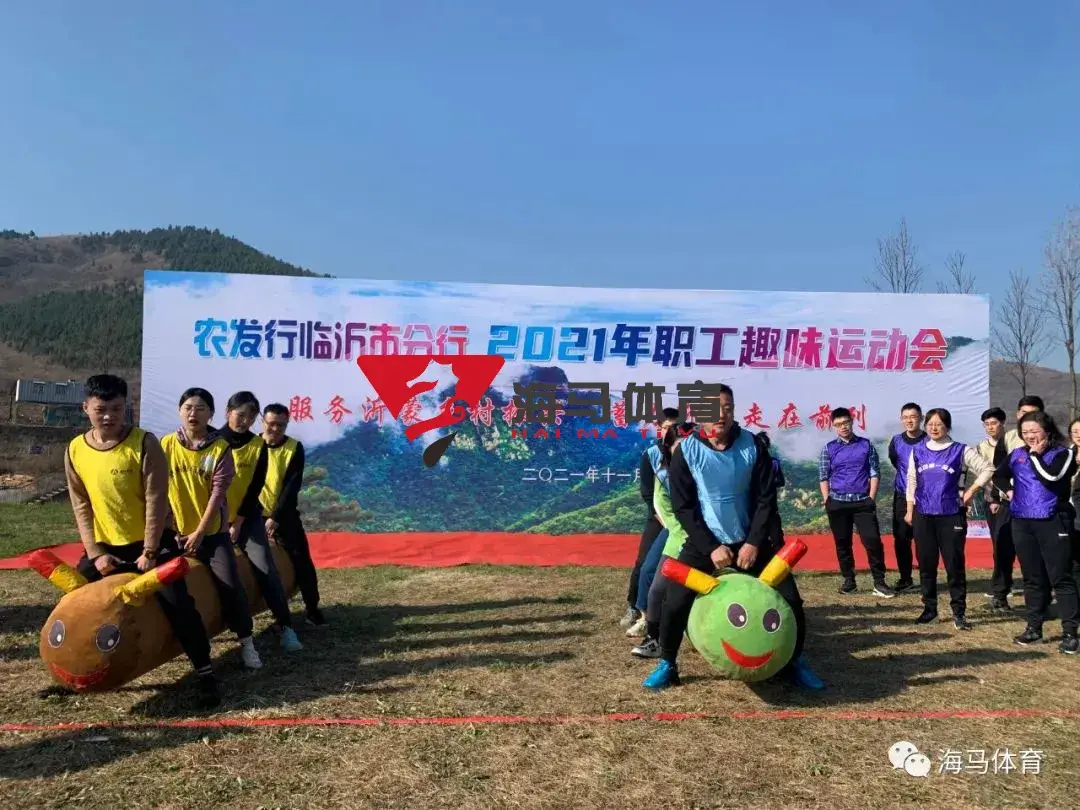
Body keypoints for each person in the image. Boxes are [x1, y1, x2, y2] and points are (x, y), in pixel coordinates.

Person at [644, 385, 823, 691]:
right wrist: (711, 547)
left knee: (790, 599)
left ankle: (795, 661)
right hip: (705, 543)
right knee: (673, 601)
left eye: (727, 408)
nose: (721, 415)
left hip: (750, 541)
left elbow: (766, 500)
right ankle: (668, 663)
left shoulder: (752, 445)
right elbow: (683, 507)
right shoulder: (687, 451)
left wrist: (753, 542)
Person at [64, 375, 221, 707]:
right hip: (105, 545)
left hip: (152, 543)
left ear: (127, 407)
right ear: (85, 408)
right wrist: (95, 553)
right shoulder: (75, 449)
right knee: (74, 601)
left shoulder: (144, 443)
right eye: (101, 409)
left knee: (179, 605)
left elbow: (156, 500)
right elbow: (80, 504)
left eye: (117, 408)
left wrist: (149, 551)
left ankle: (205, 672)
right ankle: (71, 669)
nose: (109, 416)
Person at [161, 387, 263, 669]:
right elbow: (159, 488)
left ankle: (246, 641)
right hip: (176, 533)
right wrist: (170, 526)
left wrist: (199, 533)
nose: (193, 413)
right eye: (188, 407)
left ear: (212, 414)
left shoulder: (220, 448)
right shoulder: (167, 444)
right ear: (180, 411)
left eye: (200, 408)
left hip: (212, 534)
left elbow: (217, 496)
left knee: (231, 585)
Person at [221, 391, 304, 652]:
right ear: (228, 412)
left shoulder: (259, 446)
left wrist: (238, 522)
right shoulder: (212, 441)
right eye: (240, 414)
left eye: (251, 416)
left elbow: (255, 487)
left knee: (265, 568)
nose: (244, 420)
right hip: (213, 519)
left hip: (247, 518)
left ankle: (286, 626)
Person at [904, 407, 995, 630]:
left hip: (951, 514)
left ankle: (959, 613)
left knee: (954, 565)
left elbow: (988, 469)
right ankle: (930, 609)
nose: (934, 428)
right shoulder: (918, 450)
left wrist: (971, 491)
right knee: (926, 565)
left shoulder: (960, 450)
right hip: (924, 514)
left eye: (939, 424)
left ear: (947, 426)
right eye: (930, 424)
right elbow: (911, 480)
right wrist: (909, 510)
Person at [1007, 412, 1079, 654]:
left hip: (1053, 520)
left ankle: (1070, 633)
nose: (1029, 436)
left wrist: (1035, 455)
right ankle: (1034, 628)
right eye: (1025, 432)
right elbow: (999, 475)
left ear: (1047, 431)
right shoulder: (1017, 453)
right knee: (1032, 577)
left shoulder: (1063, 453)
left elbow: (1050, 477)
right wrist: (1008, 491)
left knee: (1061, 577)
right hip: (1022, 521)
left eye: (1034, 431)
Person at [630, 421, 694, 658]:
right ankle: (654, 639)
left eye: (691, 447)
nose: (686, 453)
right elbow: (664, 509)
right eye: (680, 447)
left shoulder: (707, 471)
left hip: (711, 540)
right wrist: (688, 533)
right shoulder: (664, 475)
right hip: (679, 536)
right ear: (669, 448)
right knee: (656, 589)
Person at [259, 402, 326, 626]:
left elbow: (291, 486)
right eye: (271, 424)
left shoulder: (294, 448)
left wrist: (275, 518)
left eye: (281, 425)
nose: (275, 429)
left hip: (284, 515)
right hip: (253, 515)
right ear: (262, 422)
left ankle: (312, 609)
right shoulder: (251, 445)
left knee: (301, 560)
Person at [819, 407, 895, 597]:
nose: (843, 427)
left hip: (862, 503)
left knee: (872, 541)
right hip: (837, 502)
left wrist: (871, 498)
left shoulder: (866, 445)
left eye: (846, 422)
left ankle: (879, 582)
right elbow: (823, 476)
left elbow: (874, 472)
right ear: (833, 426)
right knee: (842, 543)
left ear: (852, 422)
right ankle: (849, 581)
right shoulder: (829, 448)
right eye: (838, 424)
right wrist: (827, 500)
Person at [621, 407, 680, 631]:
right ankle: (634, 607)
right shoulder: (651, 455)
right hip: (659, 518)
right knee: (644, 563)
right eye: (666, 428)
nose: (670, 432)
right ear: (658, 428)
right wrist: (666, 522)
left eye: (674, 428)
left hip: (683, 520)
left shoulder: (687, 451)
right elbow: (648, 494)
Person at [977, 407, 1024, 611]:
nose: (990, 427)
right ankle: (1000, 591)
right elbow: (987, 474)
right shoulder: (981, 447)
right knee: (1000, 544)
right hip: (996, 501)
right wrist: (994, 498)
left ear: (1003, 423)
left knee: (1023, 546)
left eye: (994, 423)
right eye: (987, 424)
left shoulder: (1015, 440)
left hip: (1021, 501)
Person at [886, 402, 927, 594]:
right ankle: (905, 578)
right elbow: (896, 462)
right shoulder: (896, 441)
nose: (909, 421)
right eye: (906, 417)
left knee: (923, 538)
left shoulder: (929, 439)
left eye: (913, 417)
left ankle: (927, 578)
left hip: (926, 497)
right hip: (902, 495)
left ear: (921, 418)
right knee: (901, 538)